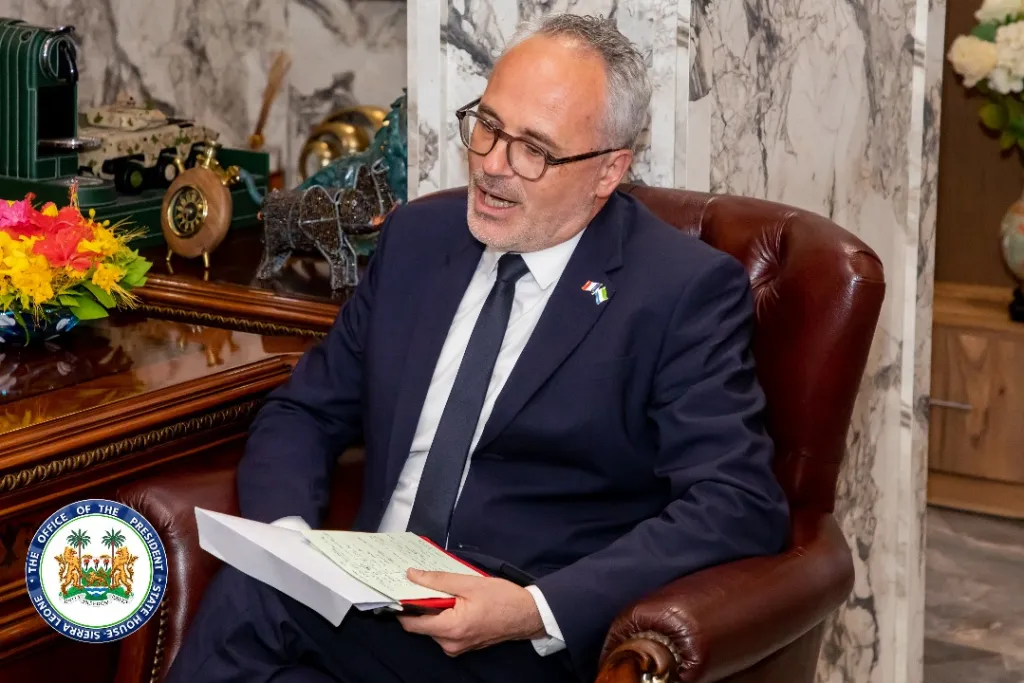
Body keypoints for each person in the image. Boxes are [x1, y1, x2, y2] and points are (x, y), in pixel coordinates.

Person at [165, 13, 789, 683]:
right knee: (268, 602)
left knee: (254, 602)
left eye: (533, 150)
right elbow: (305, 411)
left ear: (609, 170)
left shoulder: (678, 290)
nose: (492, 165)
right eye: (487, 125)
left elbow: (736, 501)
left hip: (515, 639)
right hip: (371, 609)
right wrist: (290, 542)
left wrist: (534, 609)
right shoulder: (419, 237)